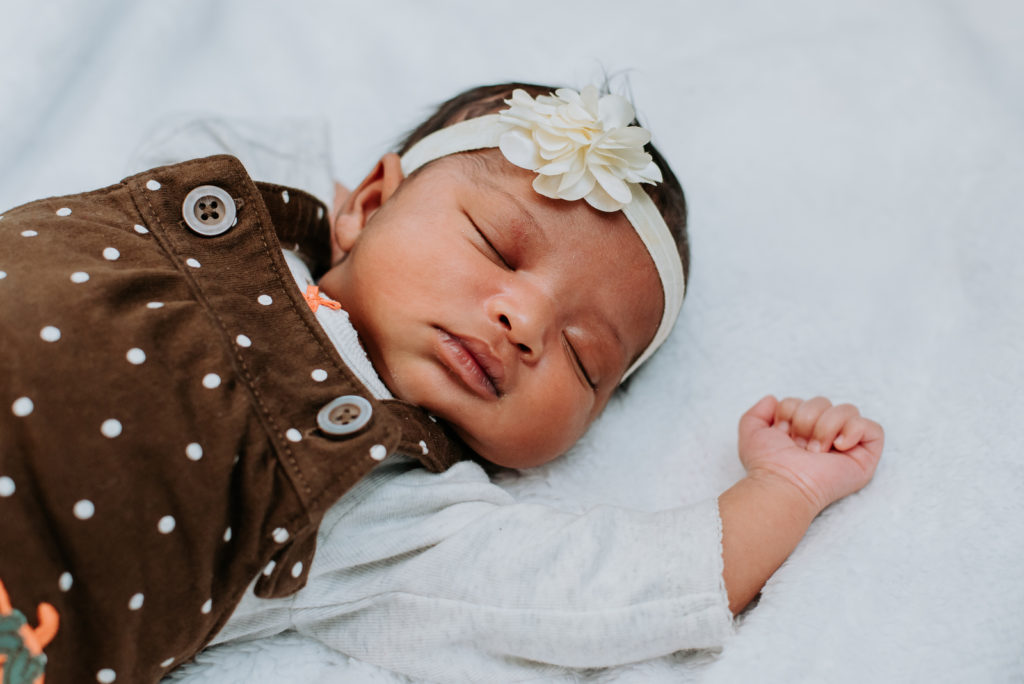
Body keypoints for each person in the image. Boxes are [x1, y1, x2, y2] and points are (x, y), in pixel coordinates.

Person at [0, 81, 883, 684]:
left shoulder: (377, 509)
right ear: (367, 203)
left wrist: (789, 487)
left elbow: (604, 589)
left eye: (584, 358)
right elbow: (218, 127)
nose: (525, 323)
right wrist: (344, 233)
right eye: (496, 246)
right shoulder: (235, 206)